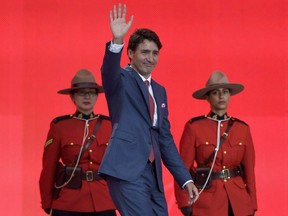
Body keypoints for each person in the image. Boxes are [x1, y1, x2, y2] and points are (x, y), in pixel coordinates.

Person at [98, 3, 199, 216]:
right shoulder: (121, 80)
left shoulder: (160, 91)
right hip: (126, 171)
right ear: (130, 53)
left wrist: (185, 178)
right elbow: (108, 72)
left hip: (152, 175)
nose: (150, 58)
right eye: (144, 52)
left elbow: (165, 139)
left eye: (155, 53)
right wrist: (117, 41)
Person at [174, 71, 257, 216]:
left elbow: (249, 170)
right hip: (207, 200)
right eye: (215, 92)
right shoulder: (194, 127)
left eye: (225, 92)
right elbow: (182, 169)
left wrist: (252, 202)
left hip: (238, 201)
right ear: (207, 97)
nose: (221, 96)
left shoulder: (242, 128)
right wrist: (184, 202)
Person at [39, 69, 116, 216]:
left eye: (92, 92)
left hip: (103, 202)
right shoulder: (59, 126)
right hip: (68, 203)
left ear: (96, 96)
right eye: (81, 92)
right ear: (72, 97)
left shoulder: (109, 125)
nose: (87, 96)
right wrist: (48, 203)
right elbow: (48, 168)